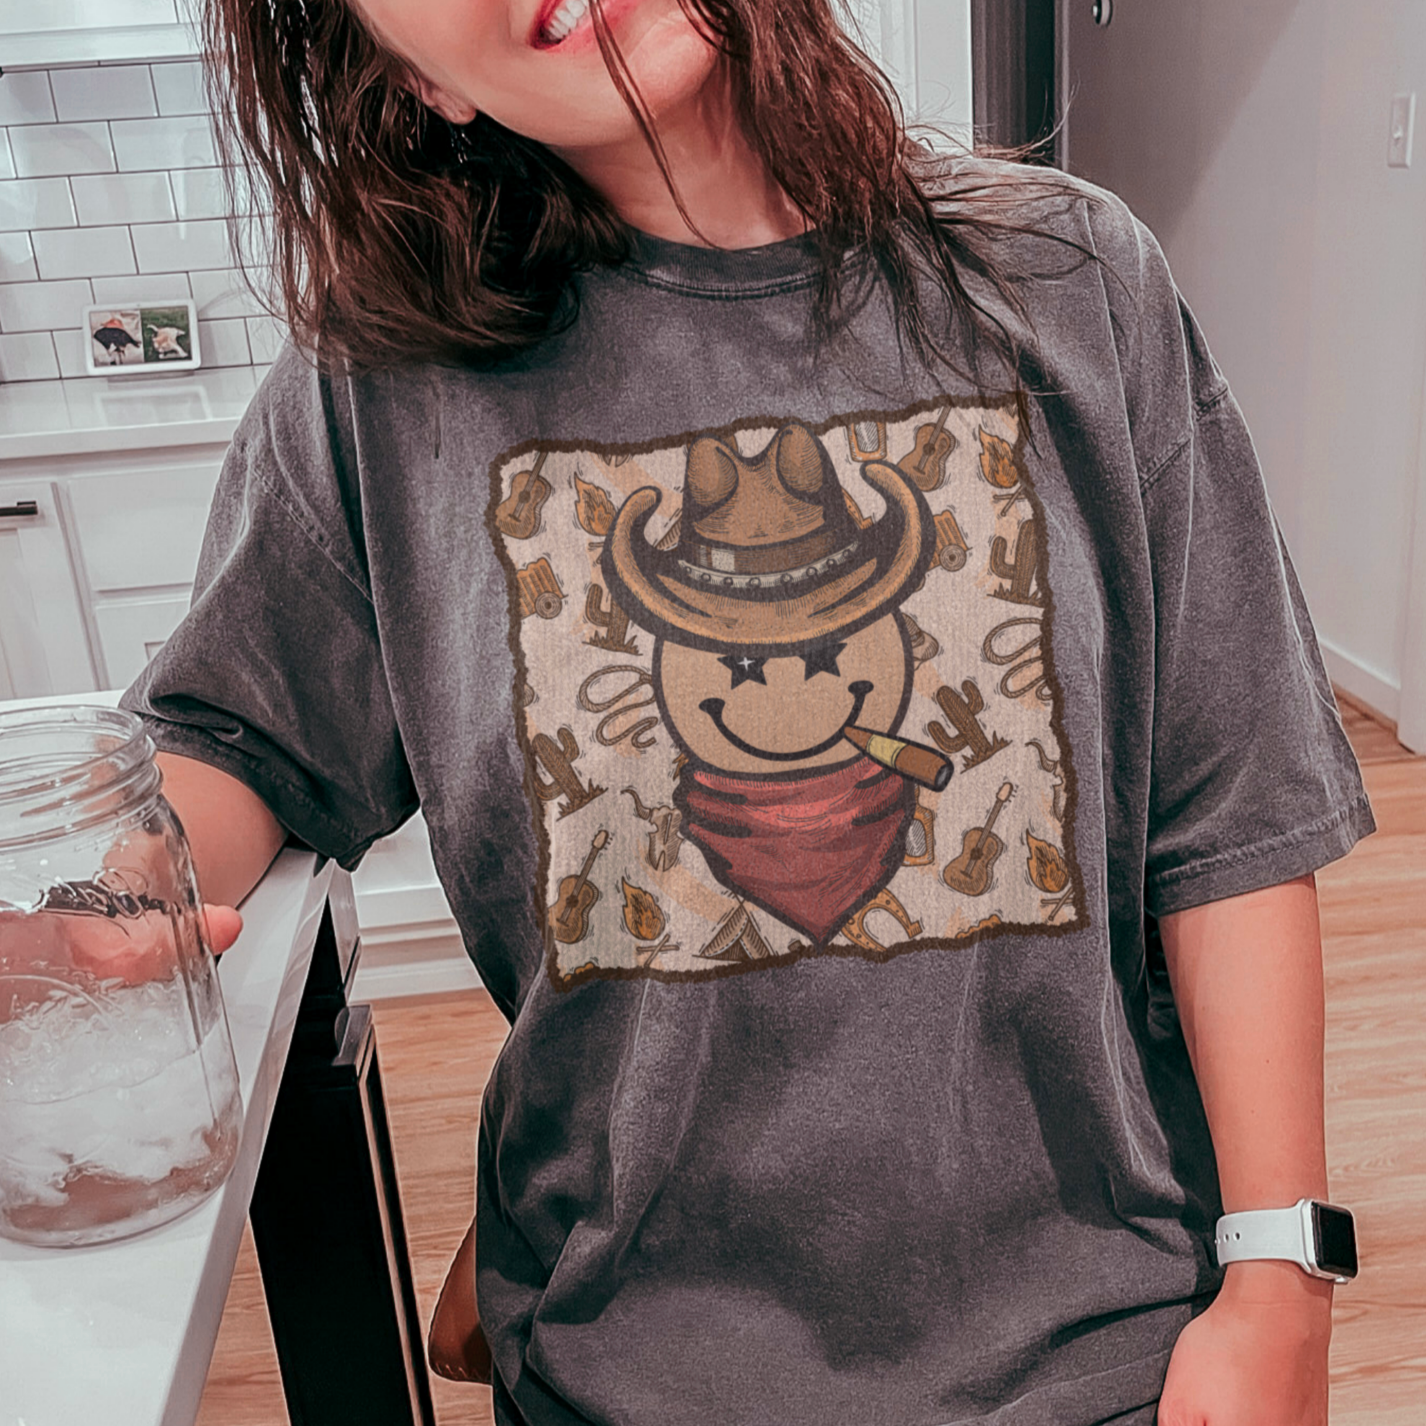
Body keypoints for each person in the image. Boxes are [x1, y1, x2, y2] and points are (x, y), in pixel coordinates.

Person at [118, 1, 1375, 1422]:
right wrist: (97, 920)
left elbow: (1232, 821)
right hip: (621, 1371)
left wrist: (1282, 1277)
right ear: (415, 75)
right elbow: (232, 743)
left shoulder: (1073, 278)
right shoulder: (377, 388)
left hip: (1101, 1350)